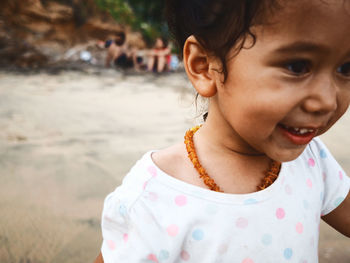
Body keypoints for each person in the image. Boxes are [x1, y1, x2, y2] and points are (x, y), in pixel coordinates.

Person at [95, 0, 350, 262]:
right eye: (297, 67)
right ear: (204, 65)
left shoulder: (311, 160)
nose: (327, 101)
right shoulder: (155, 198)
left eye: (346, 69)